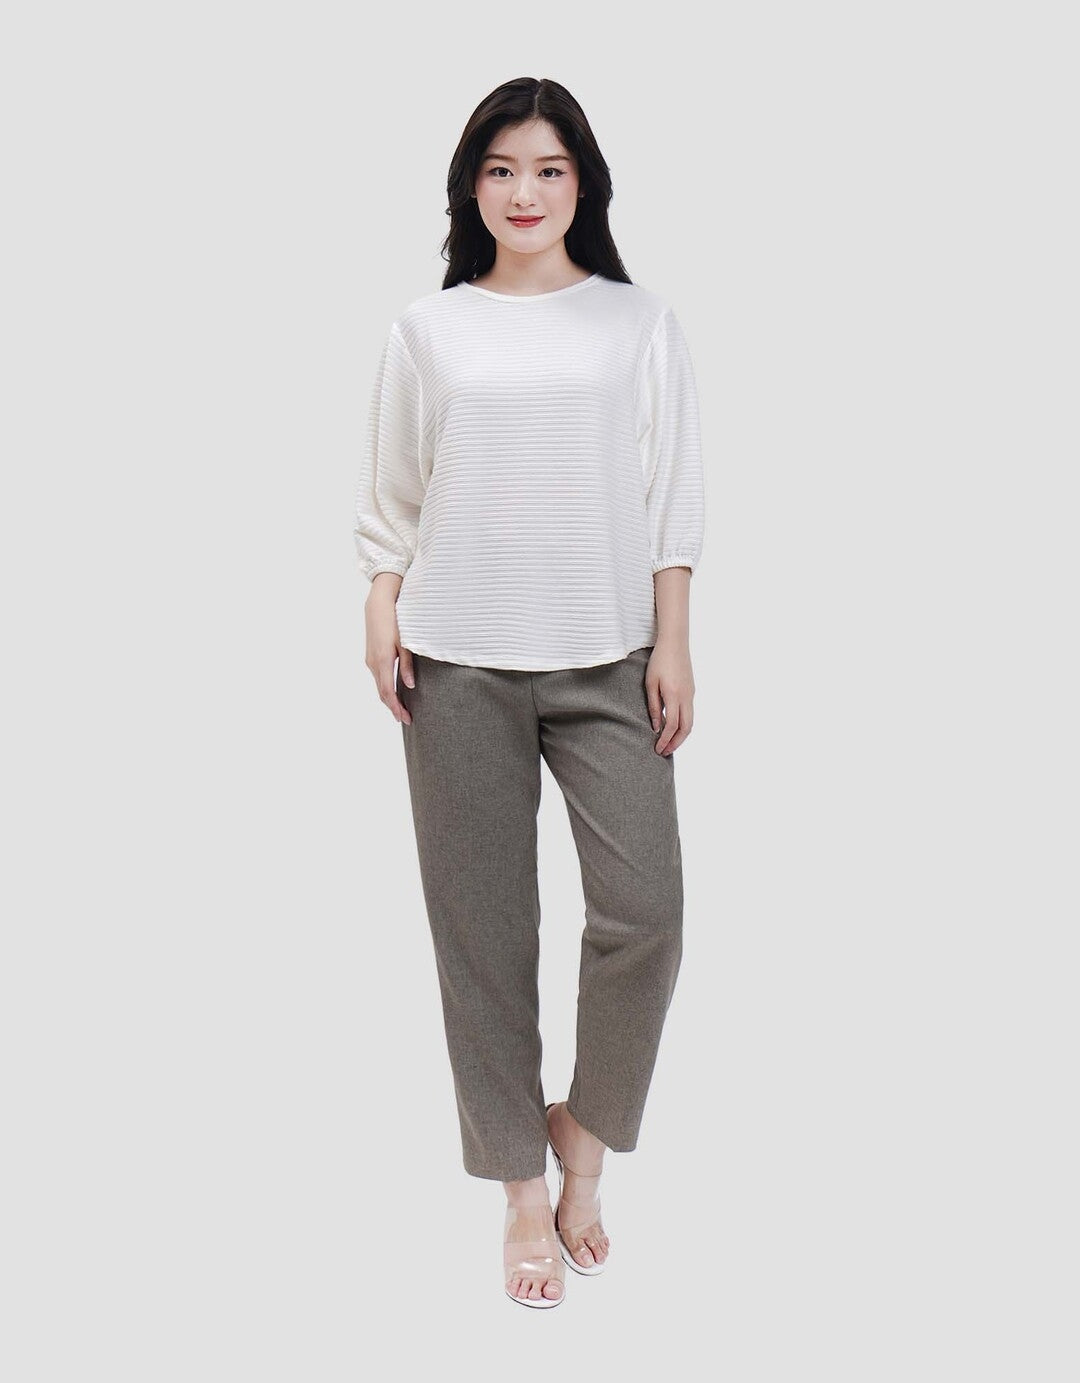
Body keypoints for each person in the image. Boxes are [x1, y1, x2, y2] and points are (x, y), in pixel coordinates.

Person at [353, 76, 705, 1309]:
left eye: (550, 168)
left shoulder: (637, 323)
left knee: (647, 912)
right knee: (482, 936)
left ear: (583, 184)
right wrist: (380, 597)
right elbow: (394, 489)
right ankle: (519, 1190)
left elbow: (674, 496)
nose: (525, 191)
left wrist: (672, 642)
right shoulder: (430, 328)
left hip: (609, 655)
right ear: (471, 185)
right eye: (502, 168)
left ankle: (581, 1148)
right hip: (454, 658)